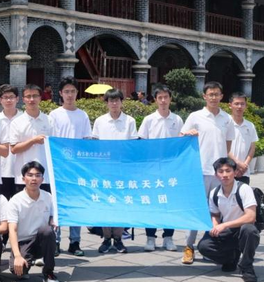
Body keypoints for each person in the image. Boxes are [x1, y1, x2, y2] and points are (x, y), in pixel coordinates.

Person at [180, 81, 235, 265]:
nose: (213, 97)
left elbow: (228, 145)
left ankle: (210, 246)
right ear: (204, 96)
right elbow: (181, 137)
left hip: (220, 174)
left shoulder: (227, 118)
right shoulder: (195, 116)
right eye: (210, 94)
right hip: (200, 170)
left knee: (217, 210)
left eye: (217, 94)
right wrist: (188, 133)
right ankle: (188, 247)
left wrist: (227, 169)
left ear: (221, 96)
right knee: (196, 208)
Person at [197, 158, 260, 282]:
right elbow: (214, 214)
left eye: (228, 171)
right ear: (216, 175)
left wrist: (224, 225)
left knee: (249, 230)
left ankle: (247, 267)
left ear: (235, 172)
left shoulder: (244, 189)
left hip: (242, 229)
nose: (224, 175)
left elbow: (251, 217)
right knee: (204, 247)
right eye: (220, 171)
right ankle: (231, 258)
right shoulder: (214, 193)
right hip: (227, 230)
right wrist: (215, 225)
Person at [48, 77, 91, 257]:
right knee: (56, 204)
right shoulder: (54, 115)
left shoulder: (83, 115)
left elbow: (87, 140)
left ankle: (75, 242)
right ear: (60, 93)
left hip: (77, 166)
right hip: (58, 166)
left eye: (72, 91)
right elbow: (50, 140)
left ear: (77, 93)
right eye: (66, 91)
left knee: (76, 203)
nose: (70, 95)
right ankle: (55, 241)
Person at [138, 84, 183, 252]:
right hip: (152, 168)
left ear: (170, 99)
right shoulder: (149, 120)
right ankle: (150, 237)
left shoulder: (177, 120)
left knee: (169, 203)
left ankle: (168, 237)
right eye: (160, 98)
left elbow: (181, 144)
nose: (163, 100)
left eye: (166, 97)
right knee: (151, 202)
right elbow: (142, 144)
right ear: (155, 100)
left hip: (170, 168)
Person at [92, 88, 138, 254]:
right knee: (105, 203)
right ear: (107, 103)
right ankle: (106, 238)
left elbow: (133, 146)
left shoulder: (130, 121)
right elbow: (95, 145)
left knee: (121, 203)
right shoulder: (100, 121)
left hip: (123, 170)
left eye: (117, 100)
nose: (114, 103)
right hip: (104, 170)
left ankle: (118, 238)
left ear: (121, 102)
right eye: (111, 101)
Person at [7, 161, 60, 282]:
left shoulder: (48, 197)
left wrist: (53, 220)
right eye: (30, 175)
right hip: (23, 242)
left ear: (43, 179)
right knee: (18, 272)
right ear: (23, 178)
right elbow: (12, 230)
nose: (34, 178)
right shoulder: (15, 201)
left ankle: (49, 273)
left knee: (47, 231)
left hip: (41, 240)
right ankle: (23, 261)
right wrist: (17, 256)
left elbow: (52, 217)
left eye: (38, 175)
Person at [9, 84, 54, 193]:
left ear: (40, 98)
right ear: (23, 99)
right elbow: (14, 149)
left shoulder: (49, 120)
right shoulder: (17, 122)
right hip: (23, 177)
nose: (31, 99)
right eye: (28, 96)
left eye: (35, 96)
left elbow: (54, 146)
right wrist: (33, 141)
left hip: (45, 176)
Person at [0, 84, 23, 202]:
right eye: (5, 97)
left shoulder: (24, 118)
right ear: (0, 100)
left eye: (11, 97)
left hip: (21, 171)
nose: (8, 100)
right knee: (2, 204)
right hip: (1, 171)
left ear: (17, 99)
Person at [229, 92, 258, 185]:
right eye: (236, 104)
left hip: (244, 172)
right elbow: (223, 147)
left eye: (242, 104)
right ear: (230, 105)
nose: (239, 106)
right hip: (227, 171)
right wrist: (237, 163)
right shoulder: (225, 124)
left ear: (246, 106)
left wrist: (244, 165)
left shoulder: (250, 125)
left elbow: (252, 148)